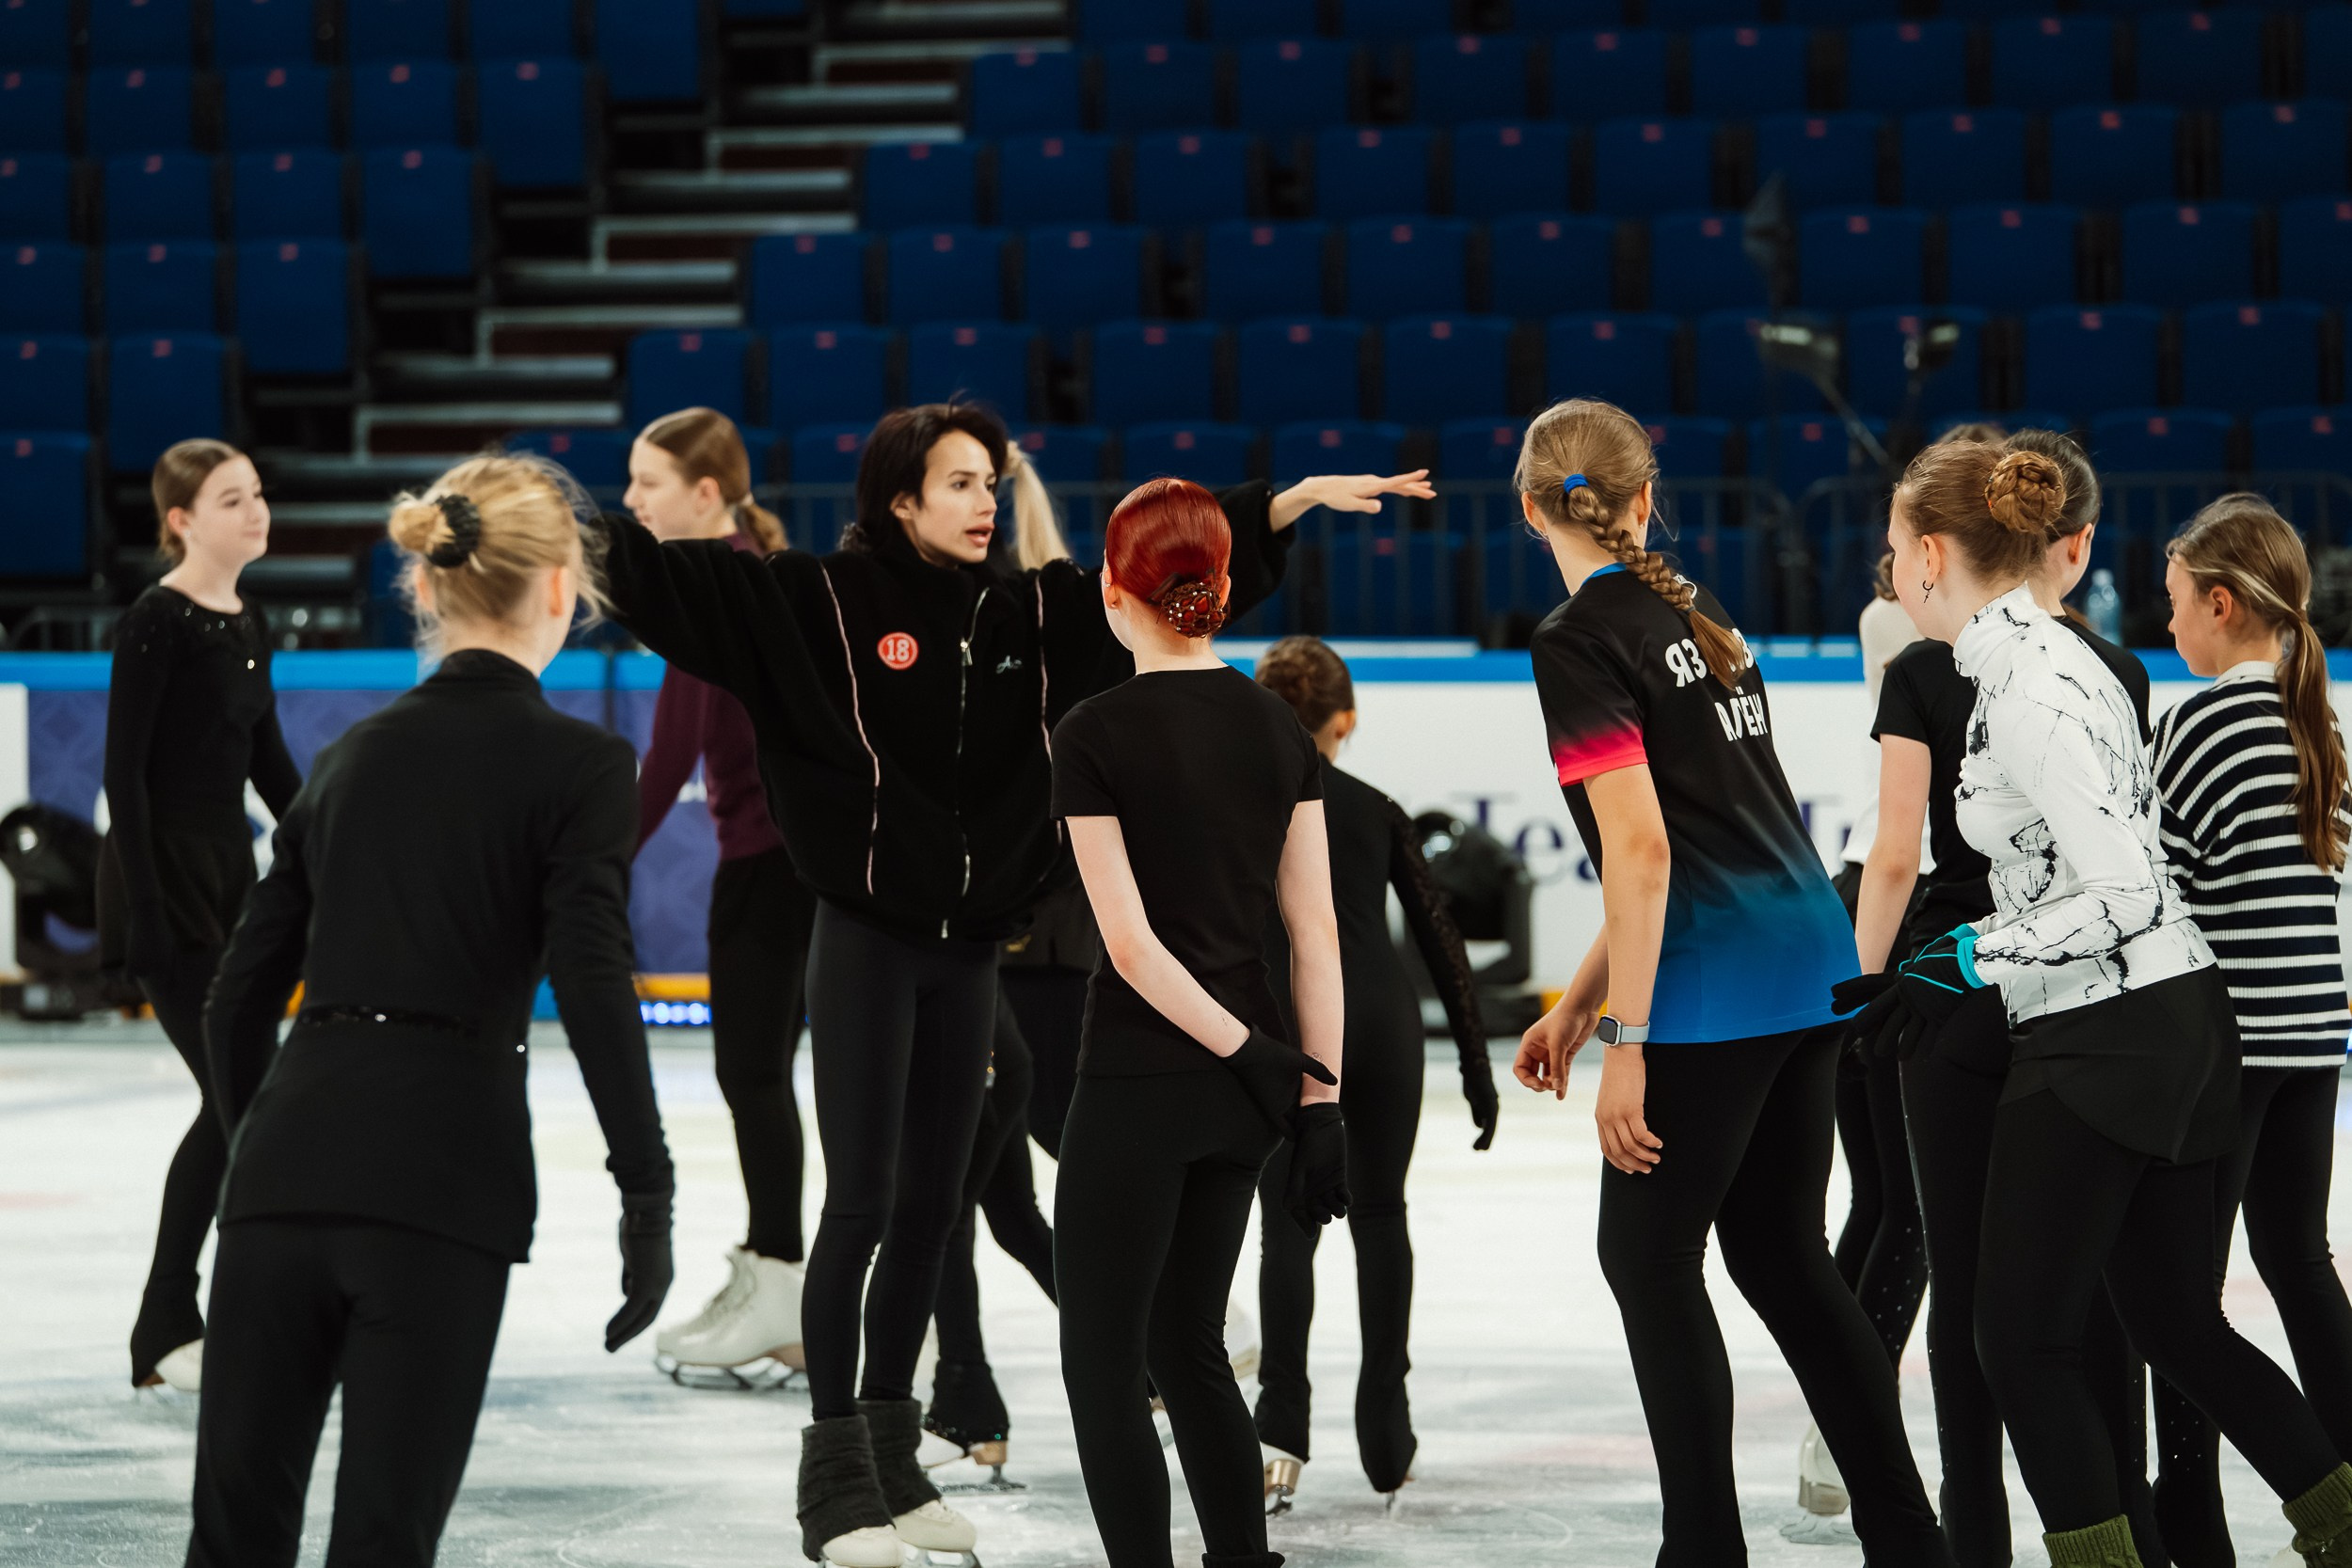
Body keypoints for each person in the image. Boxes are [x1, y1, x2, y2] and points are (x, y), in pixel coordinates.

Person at [590, 398, 1429, 1567]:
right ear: (900, 498)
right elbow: (675, 589)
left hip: (970, 950)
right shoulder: (819, 597)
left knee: (938, 1206)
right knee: (861, 1207)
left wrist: (1279, 506)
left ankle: (897, 1449)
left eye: (991, 480)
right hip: (870, 941)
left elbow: (1158, 574)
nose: (987, 501)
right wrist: (545, 521)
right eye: (959, 483)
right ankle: (835, 1476)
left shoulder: (1030, 610)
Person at [1843, 439, 2352, 1568]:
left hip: (2112, 1035)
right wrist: (1966, 953)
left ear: (1932, 555)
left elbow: (2124, 887)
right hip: (2142, 1023)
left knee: (2020, 1342)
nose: (1884, 568)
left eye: (1890, 548)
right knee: (2169, 1320)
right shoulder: (2021, 666)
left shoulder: (2034, 685)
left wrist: (1963, 958)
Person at [185, 455, 675, 1567]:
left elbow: (236, 1000)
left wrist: (257, 1145)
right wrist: (647, 1193)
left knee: (230, 1544)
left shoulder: (349, 758)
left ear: (428, 586)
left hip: (280, 1175)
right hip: (442, 1177)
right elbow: (594, 980)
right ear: (560, 588)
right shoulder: (585, 763)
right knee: (383, 1541)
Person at [1507, 398, 1954, 1568]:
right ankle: (1908, 1537)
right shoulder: (1693, 605)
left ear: (1527, 508)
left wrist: (1627, 1038)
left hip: (1712, 990)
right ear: (1646, 500)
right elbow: (1688, 839)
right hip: (1805, 963)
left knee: (1648, 1260)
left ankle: (1700, 1547)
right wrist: (1573, 1003)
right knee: (1781, 1258)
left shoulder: (1575, 638)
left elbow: (1647, 855)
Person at [1858, 427, 2166, 1568]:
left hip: (1955, 988)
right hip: (2074, 996)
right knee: (2074, 1288)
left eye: (1895, 544)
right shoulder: (2115, 669)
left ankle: (1975, 1537)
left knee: (1968, 1285)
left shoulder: (1924, 669)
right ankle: (2120, 1518)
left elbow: (1896, 853)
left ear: (1936, 550)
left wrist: (1869, 987)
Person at [1051, 477, 1348, 1568]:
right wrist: (1317, 1102)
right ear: (1219, 588)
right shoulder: (1277, 722)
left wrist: (1252, 1052)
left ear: (1110, 591)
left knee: (1104, 1359)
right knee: (1191, 1343)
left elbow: (1128, 948)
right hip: (1251, 1095)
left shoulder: (1091, 731)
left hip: (1145, 1077)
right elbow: (1312, 932)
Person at [1248, 634, 1497, 1514]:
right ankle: (1385, 1425)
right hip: (1380, 1026)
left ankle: (1280, 1429)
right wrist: (1476, 1066)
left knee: (1289, 1227)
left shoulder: (1238, 804)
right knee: (1380, 1214)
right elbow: (1441, 941)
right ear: (1346, 718)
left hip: (1282, 1027)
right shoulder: (1372, 805)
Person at [2149, 494, 2352, 1568]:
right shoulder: (2311, 714)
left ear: (2220, 603)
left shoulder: (2204, 719)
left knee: (2171, 1303)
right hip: (2312, 1037)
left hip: (2228, 1048)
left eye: (2175, 601)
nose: (2166, 621)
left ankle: (2302, 1496)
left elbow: (2149, 884)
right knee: (2295, 1261)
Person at [619, 408, 818, 1381]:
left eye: (645, 482)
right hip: (789, 865)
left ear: (705, 492)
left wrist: (591, 863)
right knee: (761, 1077)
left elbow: (663, 764)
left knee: (753, 1077)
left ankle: (781, 1284)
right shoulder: (740, 572)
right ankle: (779, 1277)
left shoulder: (716, 586)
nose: (629, 501)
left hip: (771, 870)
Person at [100, 438, 301, 1392]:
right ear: (182, 518)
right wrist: (144, 908)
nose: (256, 510)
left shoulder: (249, 617)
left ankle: (170, 1323)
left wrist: (331, 848)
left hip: (231, 880)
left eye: (258, 493)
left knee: (238, 1102)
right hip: (165, 882)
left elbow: (271, 765)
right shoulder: (156, 620)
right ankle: (180, 1319)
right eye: (232, 498)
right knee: (241, 1101)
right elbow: (124, 775)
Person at [1804, 561, 1931, 1517]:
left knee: (1891, 1195)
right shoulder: (1900, 627)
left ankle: (1831, 1424)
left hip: (1880, 896)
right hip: (1897, 903)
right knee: (1908, 1202)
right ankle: (1843, 1427)